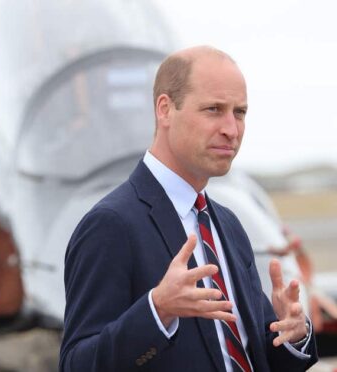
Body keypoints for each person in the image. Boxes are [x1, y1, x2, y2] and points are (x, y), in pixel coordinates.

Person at [59, 46, 318, 372]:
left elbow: (254, 355)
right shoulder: (110, 224)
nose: (231, 129)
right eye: (213, 109)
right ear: (165, 109)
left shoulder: (227, 225)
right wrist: (157, 311)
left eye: (239, 112)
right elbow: (76, 365)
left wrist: (292, 334)